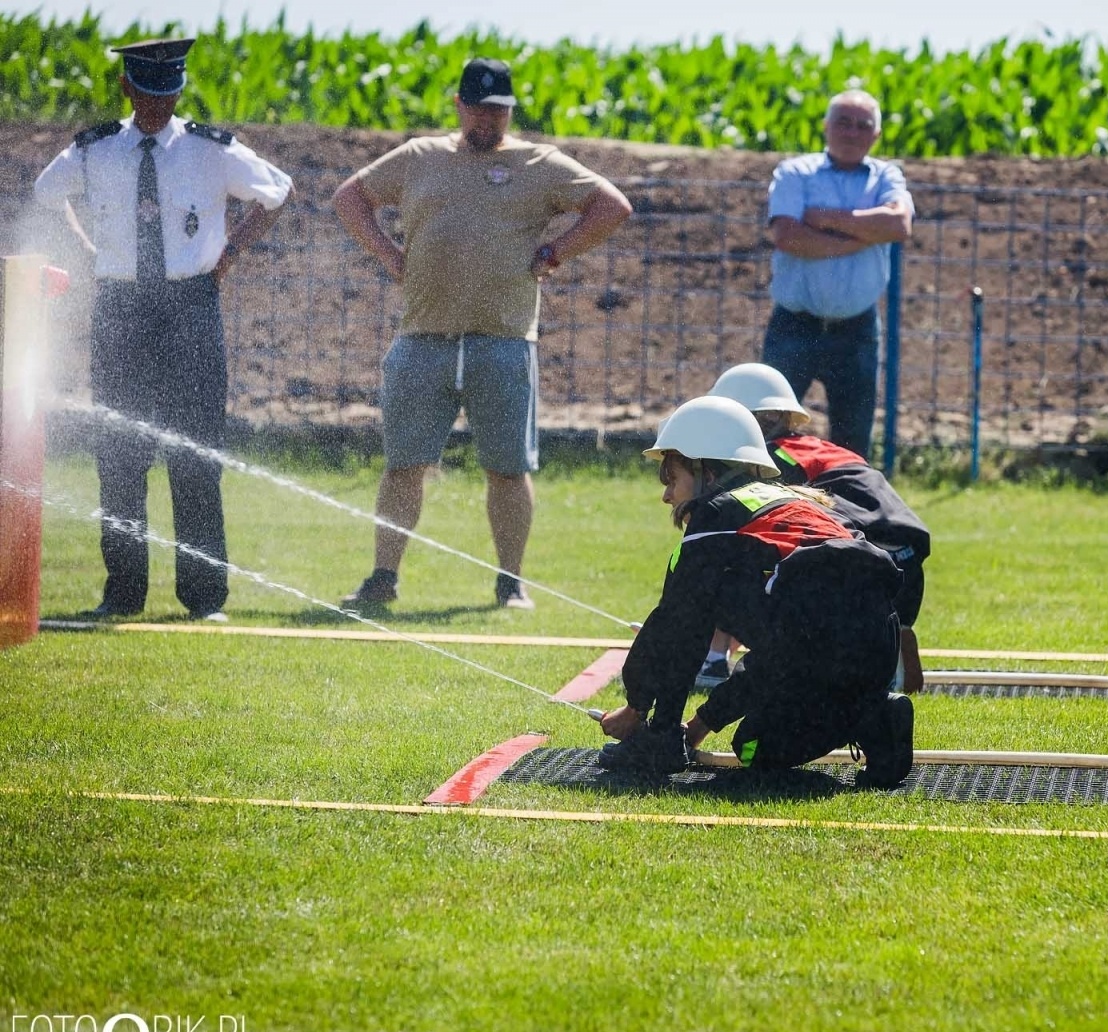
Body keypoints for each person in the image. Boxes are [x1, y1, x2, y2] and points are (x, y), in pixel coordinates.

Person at [331, 57, 632, 611]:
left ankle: (509, 582)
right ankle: (382, 577)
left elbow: (612, 206)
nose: (487, 123)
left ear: (510, 112)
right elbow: (350, 197)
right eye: (479, 111)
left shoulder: (539, 162)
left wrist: (558, 251)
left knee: (508, 468)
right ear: (459, 105)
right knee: (404, 464)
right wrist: (388, 254)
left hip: (505, 341)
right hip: (423, 337)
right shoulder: (420, 157)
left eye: (498, 113)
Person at [33, 37, 293, 622]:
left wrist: (228, 255)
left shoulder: (210, 149)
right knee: (120, 455)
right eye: (148, 95)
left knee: (196, 454)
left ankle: (204, 599)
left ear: (179, 90)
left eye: (169, 95)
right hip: (121, 306)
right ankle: (121, 593)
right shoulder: (95, 150)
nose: (159, 107)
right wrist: (83, 247)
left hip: (189, 306)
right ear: (128, 87)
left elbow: (277, 192)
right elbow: (46, 193)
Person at [597, 396, 914, 787]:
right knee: (779, 668)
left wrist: (638, 707)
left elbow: (674, 626)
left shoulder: (715, 516)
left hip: (819, 651)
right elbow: (781, 649)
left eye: (672, 479)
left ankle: (659, 739)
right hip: (877, 648)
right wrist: (699, 725)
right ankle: (875, 717)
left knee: (752, 745)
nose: (666, 495)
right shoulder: (797, 499)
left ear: (706, 475)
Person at [707, 361, 931, 692]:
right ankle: (891, 639)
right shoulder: (824, 449)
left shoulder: (771, 460)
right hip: (906, 561)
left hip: (859, 561)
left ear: (748, 420)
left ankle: (711, 658)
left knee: (733, 550)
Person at [762, 88, 914, 460]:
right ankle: (762, 512)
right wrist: (862, 236)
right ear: (826, 127)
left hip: (856, 330)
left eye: (863, 126)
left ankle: (847, 518)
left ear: (876, 136)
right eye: (843, 123)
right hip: (794, 327)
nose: (852, 132)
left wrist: (827, 219)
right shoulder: (795, 173)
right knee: (768, 434)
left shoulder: (886, 176)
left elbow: (898, 224)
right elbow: (788, 236)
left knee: (852, 443)